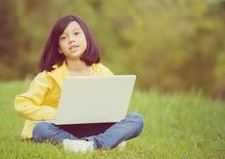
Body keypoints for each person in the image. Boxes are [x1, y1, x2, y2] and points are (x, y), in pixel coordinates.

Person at [14, 15, 144, 152]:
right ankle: (103, 143)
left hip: (95, 125)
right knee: (41, 129)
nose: (71, 40)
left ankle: (89, 144)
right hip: (61, 127)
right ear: (59, 48)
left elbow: (115, 106)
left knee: (136, 119)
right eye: (63, 38)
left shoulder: (102, 71)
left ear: (86, 38)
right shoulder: (48, 76)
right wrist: (56, 114)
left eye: (76, 33)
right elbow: (22, 104)